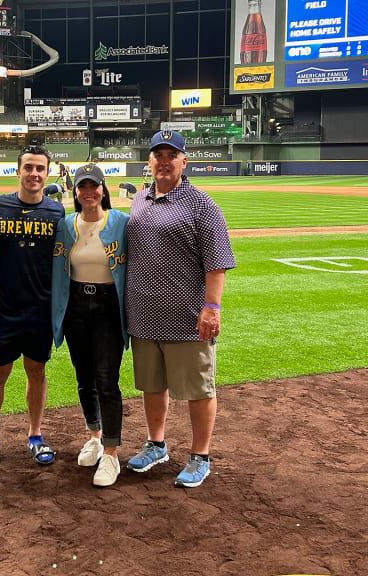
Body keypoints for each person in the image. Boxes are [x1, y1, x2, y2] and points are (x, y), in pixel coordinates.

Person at [124, 130, 236, 488]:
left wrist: (211, 308)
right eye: (158, 154)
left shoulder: (202, 205)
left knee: (198, 388)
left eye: (172, 154)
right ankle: (156, 444)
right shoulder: (139, 200)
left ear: (184, 161)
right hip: (143, 315)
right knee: (152, 386)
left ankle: (200, 456)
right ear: (150, 161)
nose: (164, 161)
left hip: (187, 318)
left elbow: (216, 262)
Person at [0, 144, 65, 470]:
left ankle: (36, 435)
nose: (34, 174)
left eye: (40, 168)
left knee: (36, 371)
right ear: (18, 171)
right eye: (28, 167)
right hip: (4, 308)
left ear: (47, 172)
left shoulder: (56, 212)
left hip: (40, 308)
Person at [51, 164, 129, 487]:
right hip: (76, 308)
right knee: (84, 378)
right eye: (82, 187)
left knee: (106, 380)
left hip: (108, 307)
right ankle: (94, 437)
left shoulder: (122, 223)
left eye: (93, 186)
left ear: (103, 189)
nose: (88, 193)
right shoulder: (66, 226)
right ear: (75, 192)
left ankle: (111, 453)